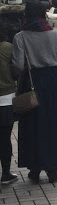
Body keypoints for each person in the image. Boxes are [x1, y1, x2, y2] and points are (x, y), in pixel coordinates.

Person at [12, 0, 57, 183]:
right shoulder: (54, 35)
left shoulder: (20, 36)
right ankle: (53, 168)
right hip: (53, 82)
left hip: (31, 82)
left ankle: (34, 168)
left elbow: (17, 65)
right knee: (53, 124)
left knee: (32, 125)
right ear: (44, 15)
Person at [0, 28, 18, 185]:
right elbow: (18, 67)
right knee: (4, 138)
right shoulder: (7, 47)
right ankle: (5, 172)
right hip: (6, 98)